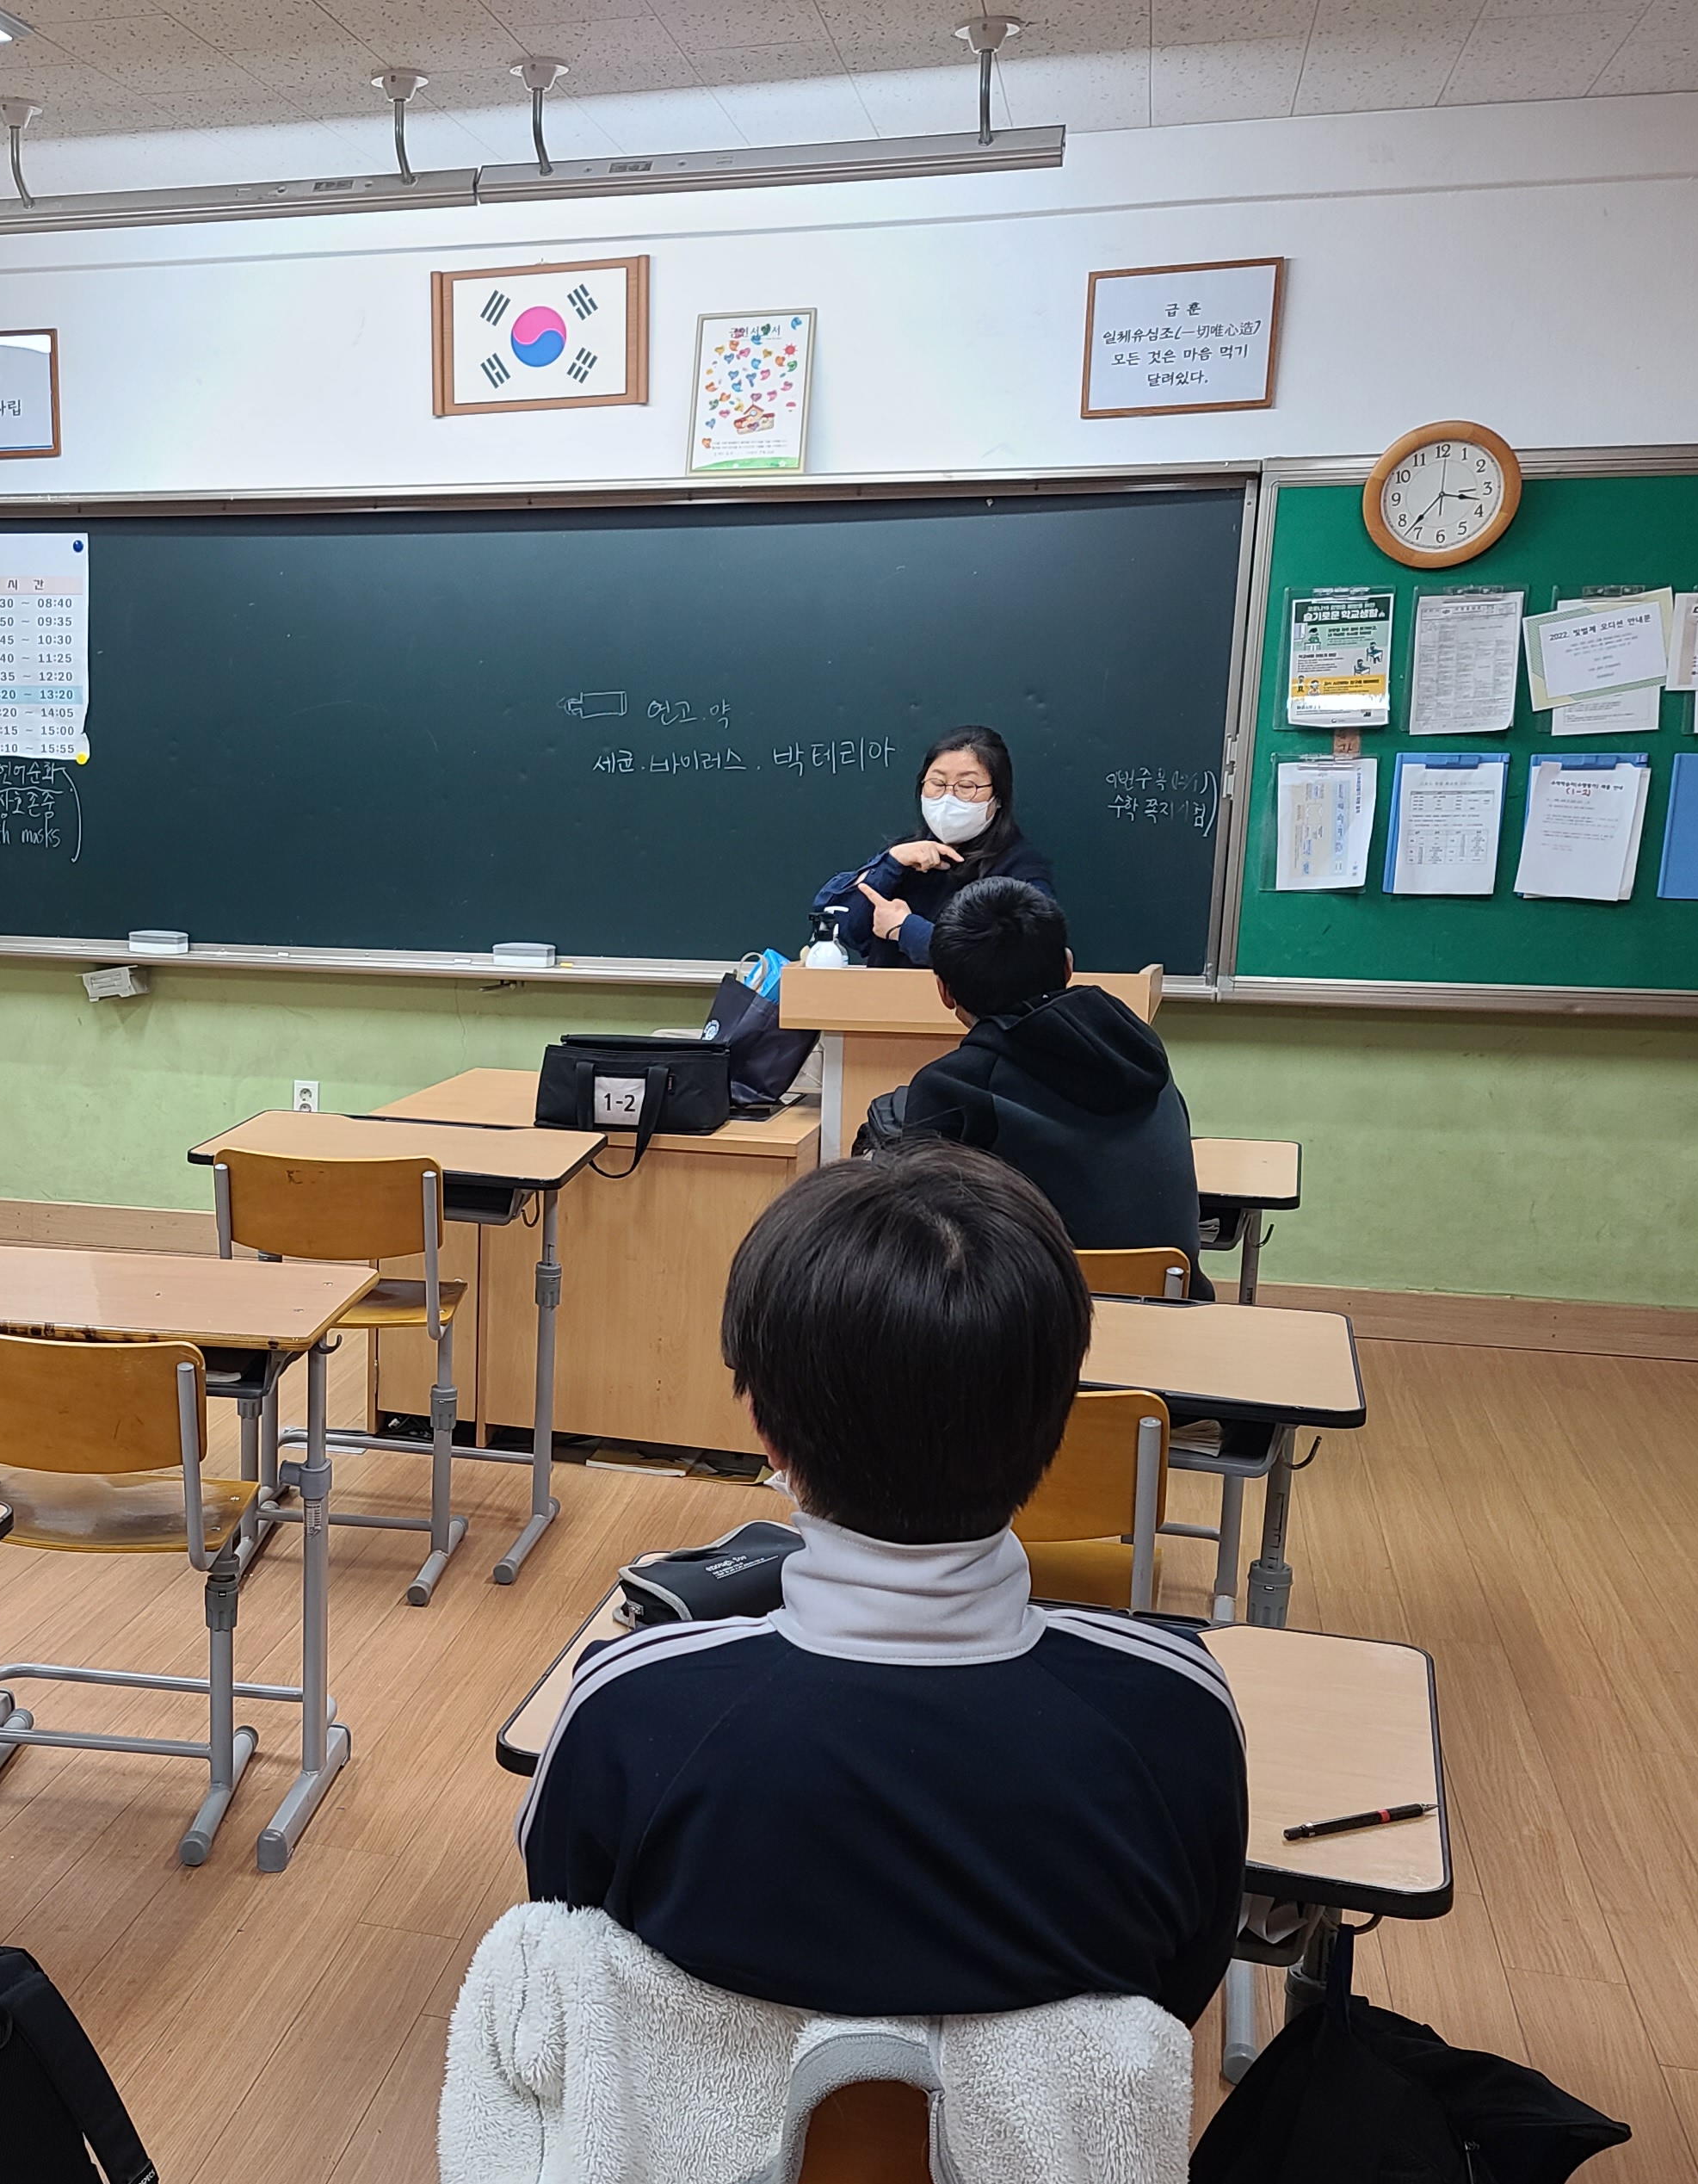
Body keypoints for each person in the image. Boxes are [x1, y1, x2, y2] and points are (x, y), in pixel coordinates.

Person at [517, 1141, 1246, 2025]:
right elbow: (1174, 1995)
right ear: (1061, 1419)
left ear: (764, 1427)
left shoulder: (625, 1709)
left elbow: (567, 1948)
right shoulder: (1178, 1710)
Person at [861, 875, 1201, 1266]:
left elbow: (920, 1243)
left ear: (944, 991)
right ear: (1068, 965)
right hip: (1171, 1291)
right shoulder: (1139, 1043)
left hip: (1033, 1300)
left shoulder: (951, 1086)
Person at [810, 725, 1057, 968]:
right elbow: (834, 923)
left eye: (966, 786)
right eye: (937, 784)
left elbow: (1023, 956)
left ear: (998, 797)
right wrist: (890, 863)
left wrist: (906, 929)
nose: (948, 798)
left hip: (960, 996)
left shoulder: (1019, 868)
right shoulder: (906, 857)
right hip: (884, 993)